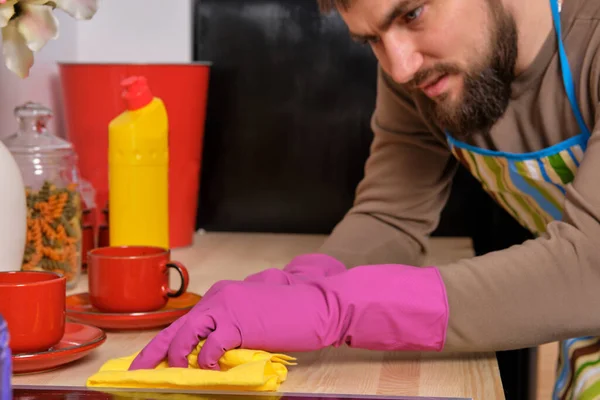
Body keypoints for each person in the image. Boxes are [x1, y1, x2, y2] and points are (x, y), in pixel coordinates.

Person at [130, 0, 600, 398]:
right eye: (372, 39)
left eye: (412, 14)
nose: (399, 66)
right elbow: (390, 216)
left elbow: (589, 268)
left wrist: (336, 308)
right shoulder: (422, 73)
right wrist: (305, 283)